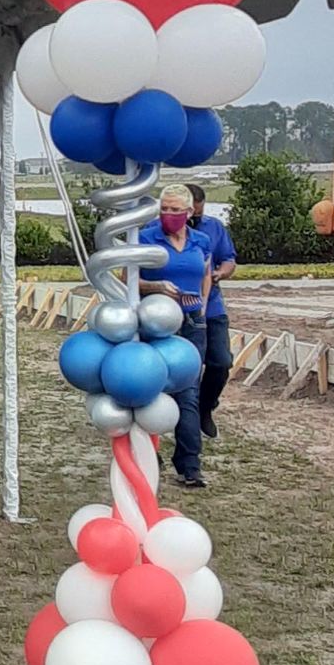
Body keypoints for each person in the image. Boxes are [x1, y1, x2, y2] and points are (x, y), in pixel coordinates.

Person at [137, 180, 210, 489]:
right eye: (164, 209)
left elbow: (206, 272)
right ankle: (148, 454)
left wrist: (203, 305)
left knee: (189, 392)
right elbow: (128, 280)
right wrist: (157, 287)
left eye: (175, 210)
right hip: (156, 320)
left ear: (189, 211)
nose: (169, 214)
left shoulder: (201, 240)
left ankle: (190, 465)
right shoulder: (145, 238)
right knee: (150, 389)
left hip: (192, 320)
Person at [187, 182, 237, 441]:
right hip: (180, 308)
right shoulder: (161, 231)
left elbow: (229, 259)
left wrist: (220, 273)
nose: (194, 219)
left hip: (212, 305)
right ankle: (187, 417)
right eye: (190, 214)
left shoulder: (214, 227)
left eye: (198, 213)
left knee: (221, 361)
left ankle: (206, 407)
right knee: (189, 367)